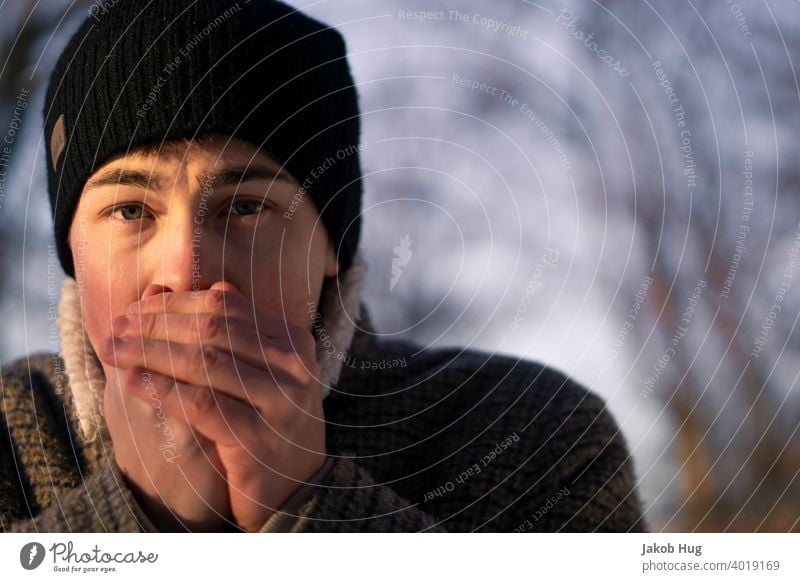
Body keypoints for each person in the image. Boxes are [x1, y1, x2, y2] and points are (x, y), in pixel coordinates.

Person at [0, 0, 646, 533]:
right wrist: (134, 518)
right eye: (130, 210)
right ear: (72, 253)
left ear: (333, 247)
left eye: (246, 206)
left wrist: (312, 505)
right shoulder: (13, 431)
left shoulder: (530, 434)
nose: (187, 270)